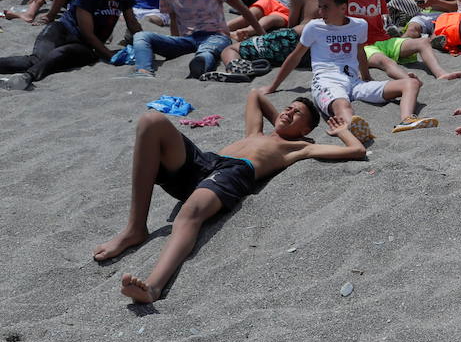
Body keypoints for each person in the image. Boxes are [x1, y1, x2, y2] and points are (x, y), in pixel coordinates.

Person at [92, 89, 365, 304]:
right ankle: (135, 228)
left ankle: (153, 286)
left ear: (306, 130)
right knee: (151, 120)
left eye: (297, 114)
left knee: (189, 214)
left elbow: (356, 151)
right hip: (205, 163)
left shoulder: (297, 147)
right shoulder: (255, 132)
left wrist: (341, 132)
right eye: (288, 108)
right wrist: (283, 118)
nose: (289, 112)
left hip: (234, 173)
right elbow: (255, 94)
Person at [265, 0, 432, 141]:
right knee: (342, 104)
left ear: (343, 8)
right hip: (326, 81)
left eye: (326, 7)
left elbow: (360, 53)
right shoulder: (314, 27)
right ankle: (353, 127)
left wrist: (366, 76)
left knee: (410, 83)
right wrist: (273, 86)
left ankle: (407, 119)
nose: (320, 12)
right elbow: (295, 57)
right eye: (320, 7)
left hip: (354, 81)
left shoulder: (359, 25)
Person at [0, 0, 138, 90]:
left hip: (84, 46)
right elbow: (88, 33)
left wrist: (144, 42)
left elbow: (132, 22)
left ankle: (26, 77)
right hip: (63, 30)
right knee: (35, 60)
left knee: (59, 54)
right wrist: (108, 54)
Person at [128, 0, 261, 79]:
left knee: (206, 51)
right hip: (187, 40)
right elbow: (174, 20)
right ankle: (144, 71)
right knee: (141, 36)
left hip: (216, 36)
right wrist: (175, 43)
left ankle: (199, 66)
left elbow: (243, 10)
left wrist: (263, 35)